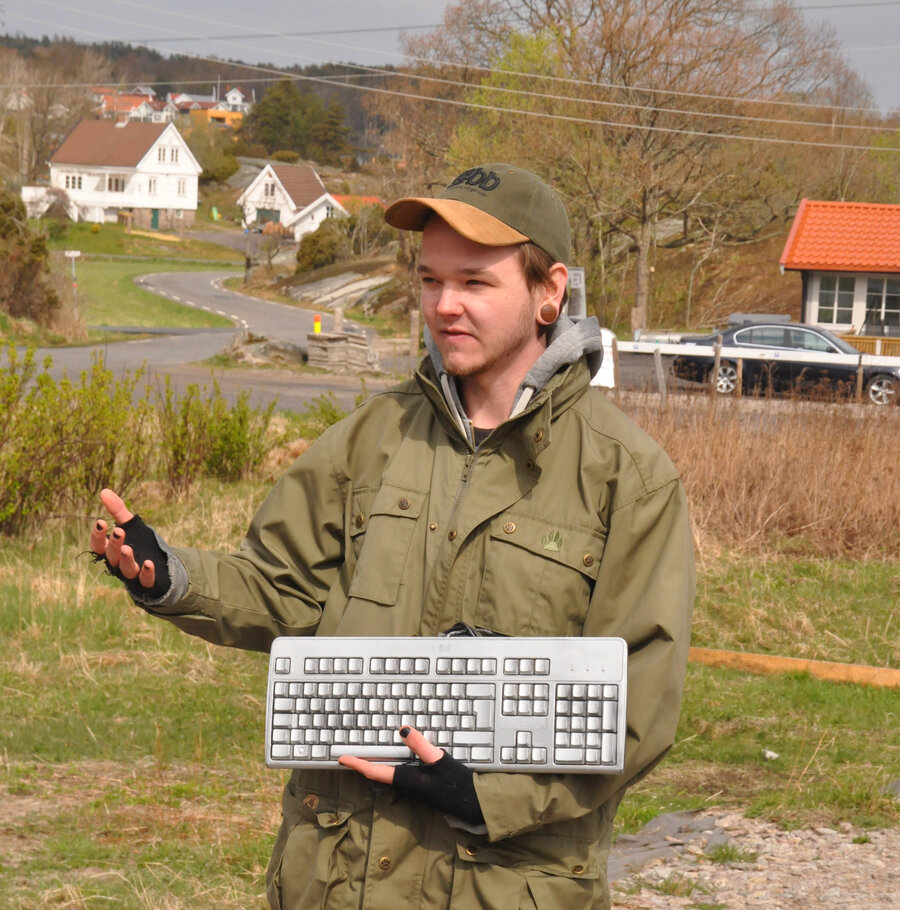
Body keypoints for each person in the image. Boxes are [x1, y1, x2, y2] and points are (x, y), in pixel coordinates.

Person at [90, 163, 695, 910]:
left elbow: (640, 701)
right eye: (430, 280)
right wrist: (170, 576)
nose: (444, 306)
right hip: (339, 878)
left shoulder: (627, 478)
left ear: (549, 291)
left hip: (499, 884)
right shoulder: (371, 437)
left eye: (474, 282)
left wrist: (492, 797)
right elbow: (283, 589)